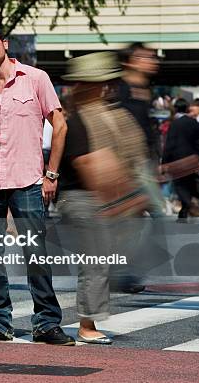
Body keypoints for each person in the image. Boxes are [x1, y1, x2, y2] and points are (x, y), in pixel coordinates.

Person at [0, 24, 73, 345]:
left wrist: (51, 173)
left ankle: (47, 323)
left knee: (35, 253)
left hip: (27, 181)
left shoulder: (36, 79)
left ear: (4, 43)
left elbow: (60, 124)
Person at [59, 51, 149, 344]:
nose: (108, 88)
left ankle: (85, 318)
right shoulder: (76, 120)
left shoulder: (102, 115)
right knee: (96, 262)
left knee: (101, 261)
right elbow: (87, 164)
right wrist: (116, 201)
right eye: (104, 83)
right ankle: (86, 326)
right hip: (82, 198)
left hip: (97, 197)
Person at [163, 99, 199, 222]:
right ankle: (186, 209)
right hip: (192, 159)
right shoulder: (195, 123)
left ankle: (186, 206)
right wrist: (197, 157)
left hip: (177, 159)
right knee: (189, 183)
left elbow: (169, 144)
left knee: (180, 185)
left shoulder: (174, 124)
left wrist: (164, 163)